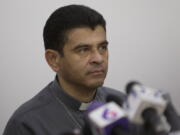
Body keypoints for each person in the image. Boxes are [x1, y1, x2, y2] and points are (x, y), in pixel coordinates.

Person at [3, 4, 125, 135]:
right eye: (83, 50)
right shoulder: (25, 124)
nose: (99, 59)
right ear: (53, 59)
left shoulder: (123, 103)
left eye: (102, 47)